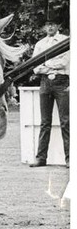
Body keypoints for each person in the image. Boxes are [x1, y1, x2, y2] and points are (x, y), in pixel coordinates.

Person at [29, 13, 69, 168]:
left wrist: (46, 64)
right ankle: (41, 158)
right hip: (45, 83)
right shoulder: (40, 44)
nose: (50, 27)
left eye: (53, 24)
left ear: (58, 26)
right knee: (45, 122)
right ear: (44, 27)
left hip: (62, 81)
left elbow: (65, 62)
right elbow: (35, 66)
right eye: (47, 24)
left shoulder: (65, 41)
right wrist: (49, 65)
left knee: (66, 121)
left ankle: (69, 158)